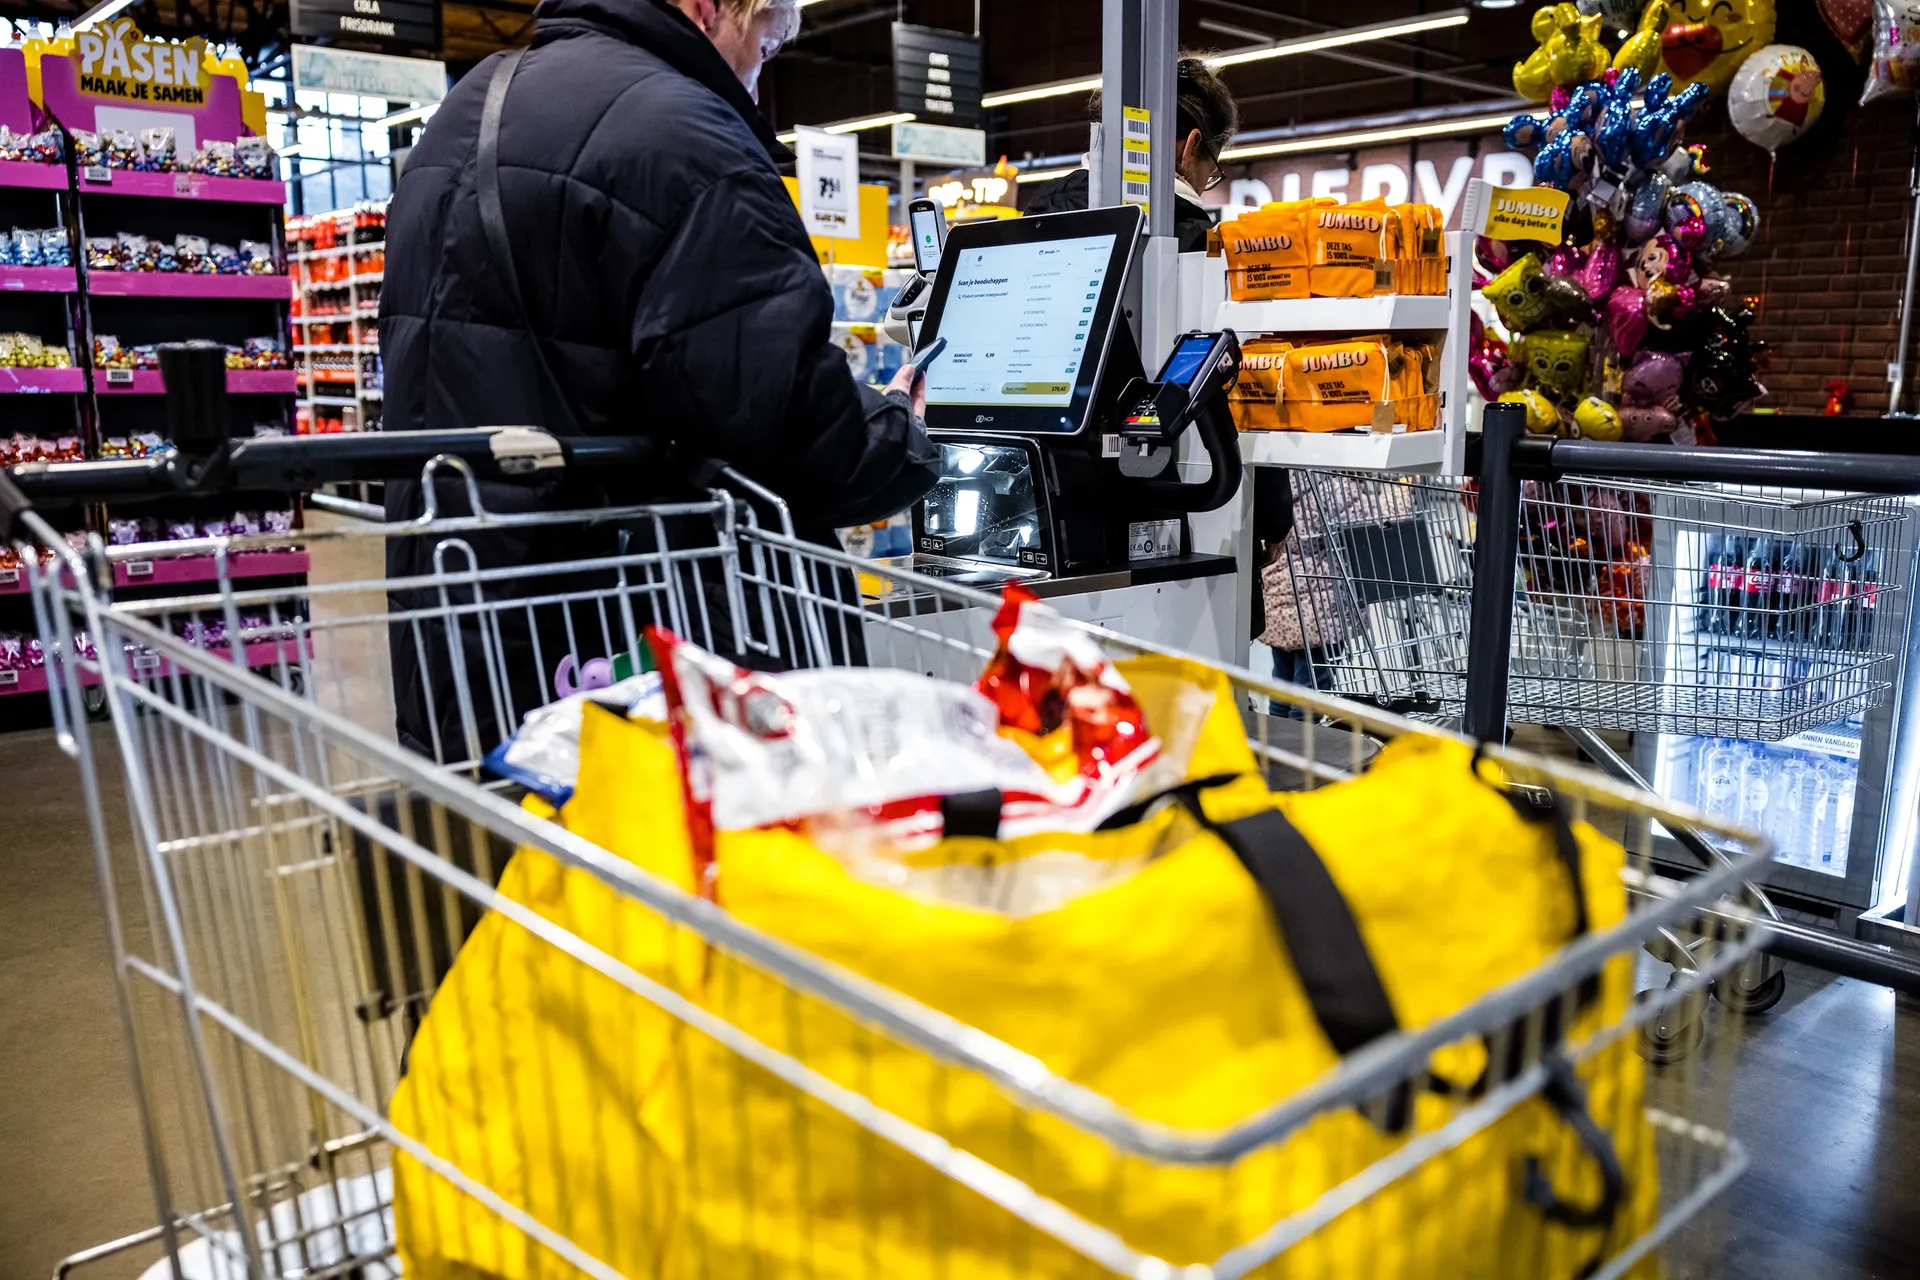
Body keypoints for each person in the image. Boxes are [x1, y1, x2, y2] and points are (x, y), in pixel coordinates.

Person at [377, 0, 940, 757]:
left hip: (467, 614)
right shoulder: (683, 138)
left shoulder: (467, 106)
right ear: (710, 8)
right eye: (765, 46)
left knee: (530, 852)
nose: (756, 82)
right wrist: (899, 431)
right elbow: (781, 419)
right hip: (630, 642)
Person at [1020, 52, 1238, 252]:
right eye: (1210, 173)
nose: (1202, 189)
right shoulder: (1193, 234)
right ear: (1190, 146)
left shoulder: (1044, 201)